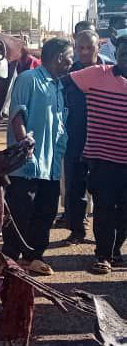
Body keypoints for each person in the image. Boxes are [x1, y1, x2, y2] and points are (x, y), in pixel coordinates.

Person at [2, 38, 73, 276]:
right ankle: (9, 258)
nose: (72, 62)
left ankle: (34, 257)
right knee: (20, 212)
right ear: (58, 57)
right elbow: (17, 113)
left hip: (50, 165)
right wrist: (24, 142)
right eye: (69, 57)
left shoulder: (57, 86)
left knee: (46, 212)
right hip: (27, 165)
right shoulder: (29, 79)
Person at [68, 37, 127, 274]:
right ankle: (103, 254)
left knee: (125, 211)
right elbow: (61, 84)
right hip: (102, 159)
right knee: (104, 207)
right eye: (123, 54)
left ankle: (115, 249)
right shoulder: (96, 74)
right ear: (117, 55)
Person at [60, 29, 109, 244]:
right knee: (74, 188)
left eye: (90, 47)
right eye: (80, 48)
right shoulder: (69, 71)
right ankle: (77, 230)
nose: (85, 52)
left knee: (103, 190)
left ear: (98, 47)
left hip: (104, 140)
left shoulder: (111, 69)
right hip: (75, 139)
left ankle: (104, 237)